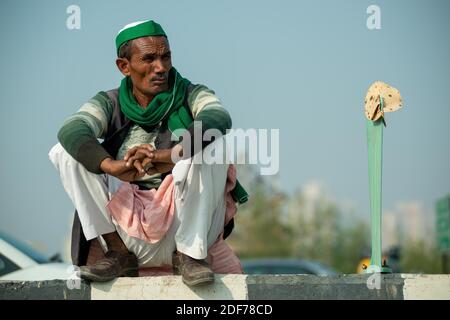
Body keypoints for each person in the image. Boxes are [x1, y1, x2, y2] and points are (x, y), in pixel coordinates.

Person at [49, 20, 247, 286]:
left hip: (186, 229)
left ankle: (191, 255)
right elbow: (73, 128)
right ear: (124, 66)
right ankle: (117, 252)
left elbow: (218, 115)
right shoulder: (110, 102)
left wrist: (171, 155)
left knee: (214, 144)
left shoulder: (189, 93)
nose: (161, 68)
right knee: (65, 151)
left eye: (166, 57)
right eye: (149, 59)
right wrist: (111, 165)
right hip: (127, 232)